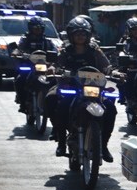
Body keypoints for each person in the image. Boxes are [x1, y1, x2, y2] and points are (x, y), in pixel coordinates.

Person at [45, 17, 123, 162]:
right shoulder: (65, 50)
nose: (80, 36)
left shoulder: (95, 50)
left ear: (88, 35)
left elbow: (106, 66)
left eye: (83, 33)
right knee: (53, 100)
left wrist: (114, 72)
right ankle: (61, 142)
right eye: (77, 33)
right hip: (71, 87)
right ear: (71, 35)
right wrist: (52, 69)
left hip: (93, 88)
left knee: (110, 108)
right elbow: (56, 65)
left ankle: (103, 146)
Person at [13, 16, 58, 113]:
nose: (37, 30)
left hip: (43, 67)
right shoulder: (25, 39)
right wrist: (17, 53)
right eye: (35, 28)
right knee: (20, 80)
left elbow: (54, 50)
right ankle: (22, 102)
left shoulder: (47, 41)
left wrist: (55, 56)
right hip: (28, 65)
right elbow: (18, 48)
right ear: (30, 28)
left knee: (54, 81)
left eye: (39, 28)